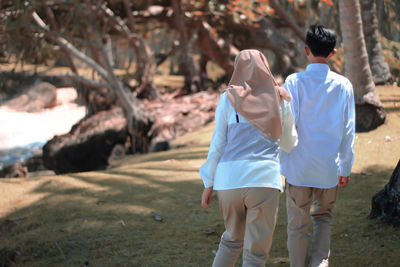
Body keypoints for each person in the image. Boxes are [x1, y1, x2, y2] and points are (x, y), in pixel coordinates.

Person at [200, 49, 298, 267]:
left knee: (231, 240)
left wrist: (208, 182)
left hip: (228, 182)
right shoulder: (279, 97)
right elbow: (289, 143)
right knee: (255, 254)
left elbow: (218, 143)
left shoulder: (227, 98)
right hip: (263, 181)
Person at [280, 25, 356, 267]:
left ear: (306, 50)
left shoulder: (294, 81)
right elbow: (348, 130)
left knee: (297, 224)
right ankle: (320, 263)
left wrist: (282, 161)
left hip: (298, 166)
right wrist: (346, 167)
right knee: (323, 217)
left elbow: (287, 124)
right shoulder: (344, 85)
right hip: (328, 166)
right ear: (333, 53)